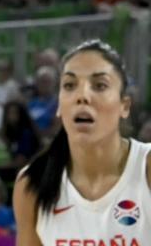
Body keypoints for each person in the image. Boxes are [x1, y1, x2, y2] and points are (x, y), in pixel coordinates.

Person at [13, 39, 151, 244]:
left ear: (124, 106)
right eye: (70, 85)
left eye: (100, 85)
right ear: (59, 105)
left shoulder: (146, 167)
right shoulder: (32, 182)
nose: (82, 96)